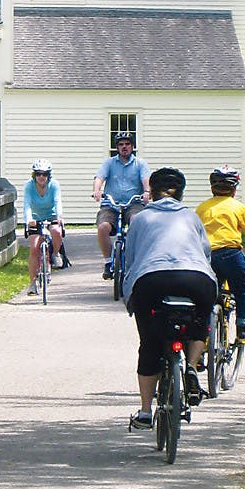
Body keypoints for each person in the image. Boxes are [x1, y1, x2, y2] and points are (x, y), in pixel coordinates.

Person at [122, 167, 217, 430]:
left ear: (150, 192)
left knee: (150, 343)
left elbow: (129, 260)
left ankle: (144, 411)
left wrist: (128, 294)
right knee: (199, 324)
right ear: (181, 193)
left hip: (152, 279)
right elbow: (205, 253)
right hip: (195, 278)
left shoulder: (141, 219)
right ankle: (191, 367)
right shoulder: (191, 217)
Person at [195, 165, 245, 342]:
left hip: (206, 256)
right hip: (231, 254)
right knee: (244, 288)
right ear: (235, 189)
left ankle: (203, 338)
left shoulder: (202, 209)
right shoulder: (238, 208)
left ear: (212, 188)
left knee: (207, 293)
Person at [91, 131, 151, 279]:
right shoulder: (109, 163)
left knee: (137, 221)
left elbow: (146, 179)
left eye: (127, 144)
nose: (124, 147)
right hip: (111, 204)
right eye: (121, 144)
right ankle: (108, 262)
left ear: (132, 146)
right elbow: (99, 177)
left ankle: (136, 259)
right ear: (117, 147)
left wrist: (147, 192)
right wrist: (97, 190)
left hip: (133, 204)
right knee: (103, 227)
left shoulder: (140, 164)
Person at [23, 159, 64, 295]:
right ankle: (33, 283)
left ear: (49, 176)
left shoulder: (54, 185)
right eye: (38, 174)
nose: (41, 177)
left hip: (50, 214)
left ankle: (55, 253)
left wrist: (59, 216)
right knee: (34, 248)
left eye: (44, 174)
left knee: (56, 231)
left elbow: (57, 201)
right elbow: (27, 204)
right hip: (35, 217)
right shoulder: (29, 186)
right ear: (34, 175)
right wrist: (29, 220)